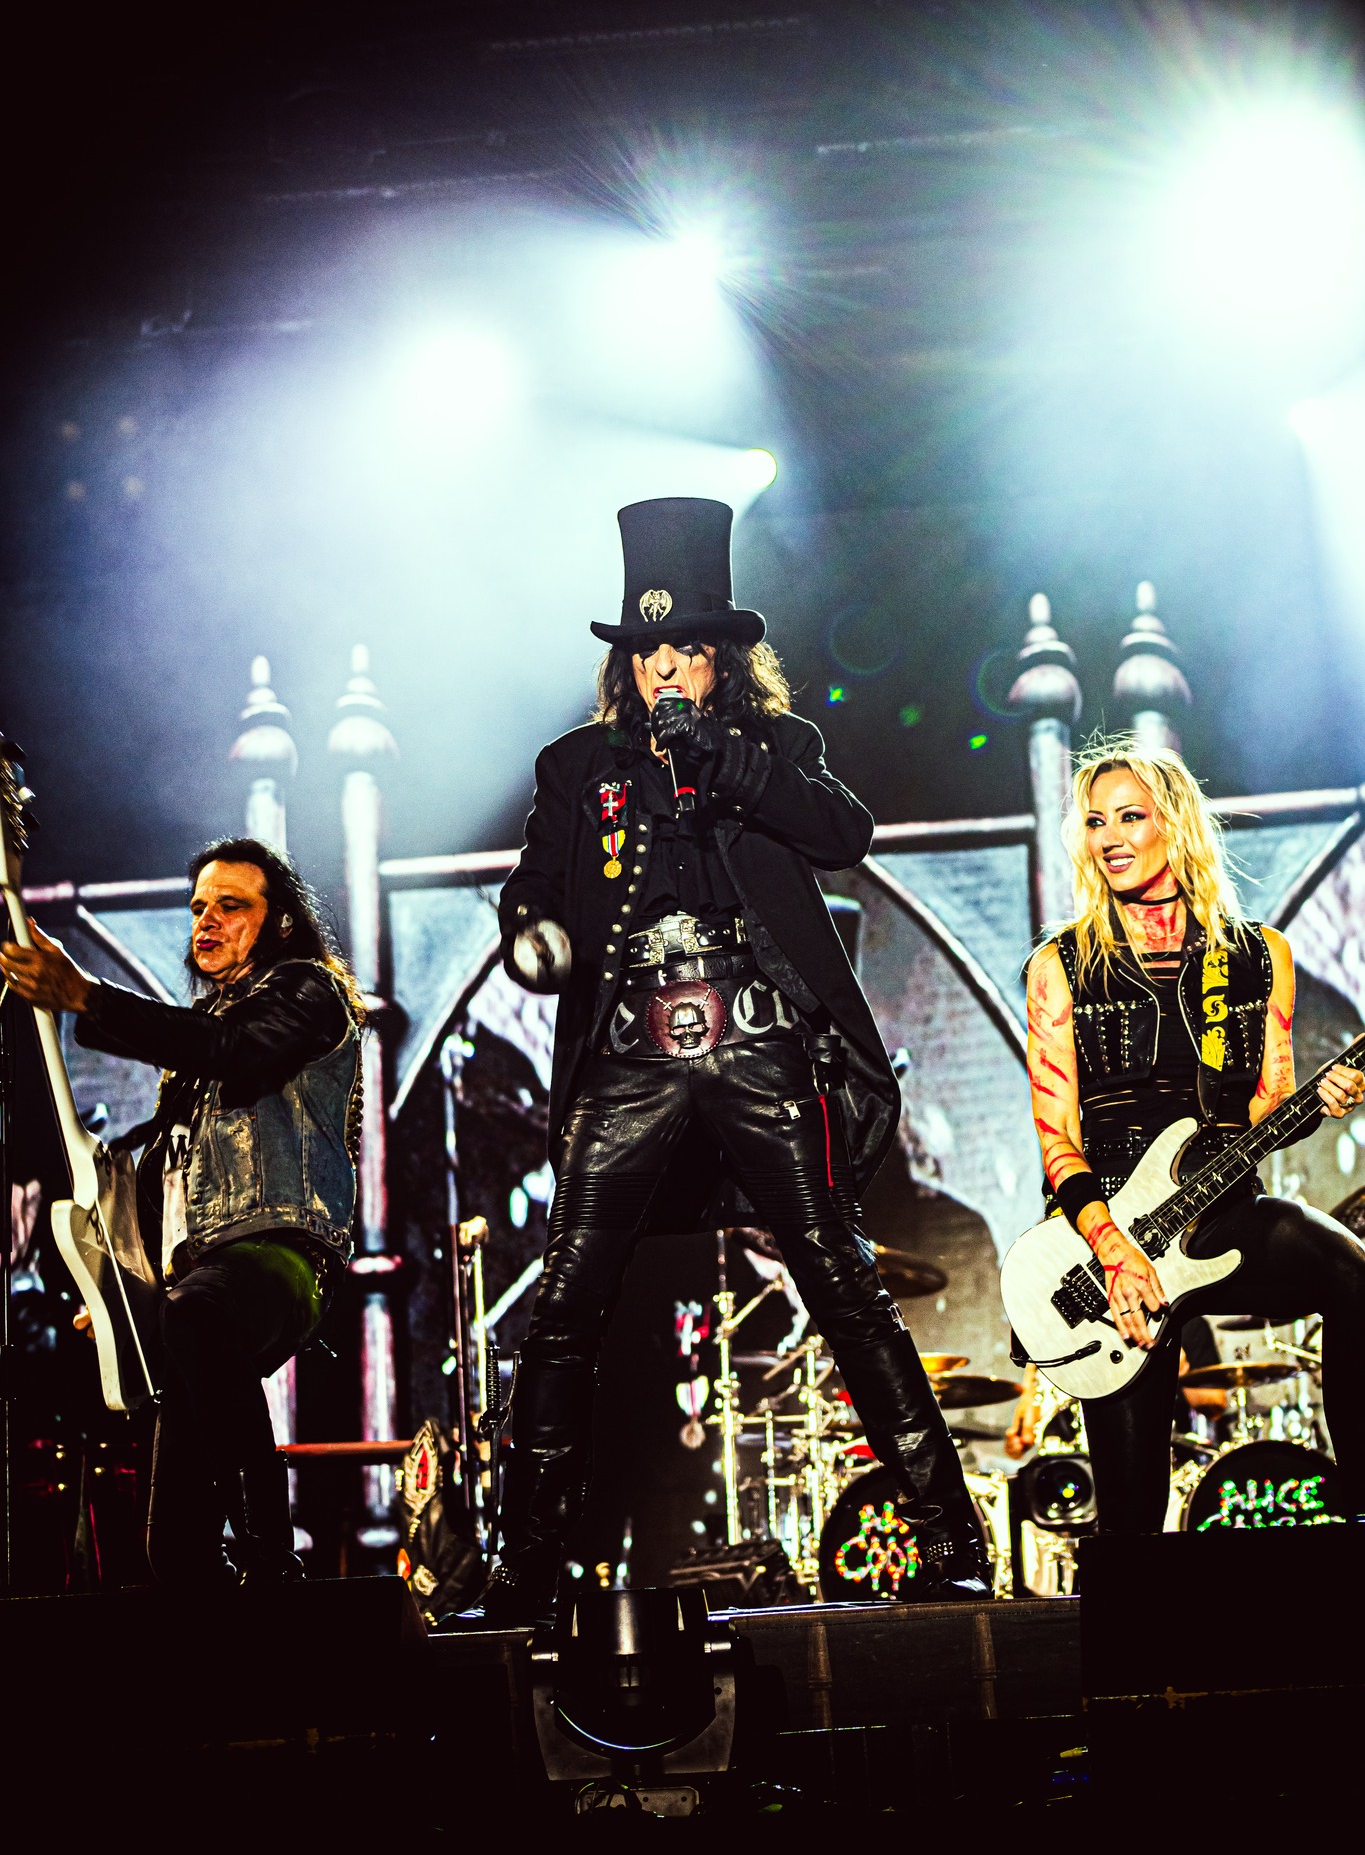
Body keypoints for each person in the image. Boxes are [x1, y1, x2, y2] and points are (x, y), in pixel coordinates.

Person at [477, 495, 990, 1624]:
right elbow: (535, 884)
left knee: (842, 1281)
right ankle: (522, 1572)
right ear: (625, 666)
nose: (664, 670)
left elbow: (844, 833)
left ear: (723, 659)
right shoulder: (575, 767)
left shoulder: (774, 749)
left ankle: (954, 1541)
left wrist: (731, 763)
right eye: (646, 653)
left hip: (758, 1038)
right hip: (629, 1051)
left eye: (685, 651)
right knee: (565, 1304)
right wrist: (530, 930)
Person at [0, 838, 363, 1587]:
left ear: (281, 923)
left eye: (231, 906)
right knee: (173, 1553)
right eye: (199, 907)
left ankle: (271, 1552)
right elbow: (160, 1170)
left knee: (197, 1314)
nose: (207, 920)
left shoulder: (308, 992)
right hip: (202, 1285)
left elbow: (234, 1049)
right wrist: (122, 1290)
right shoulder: (207, 1034)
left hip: (286, 1253)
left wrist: (88, 997)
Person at [1025, 739, 1365, 1533]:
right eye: (1094, 822)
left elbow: (1267, 1109)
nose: (1108, 838)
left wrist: (1322, 1098)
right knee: (1131, 1523)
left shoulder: (1258, 957)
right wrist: (1113, 1250)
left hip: (1224, 1212)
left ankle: (1358, 1518)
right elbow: (1056, 1136)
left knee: (1352, 1277)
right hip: (1108, 1233)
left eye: (1129, 817)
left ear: (1173, 824)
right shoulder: (1059, 967)